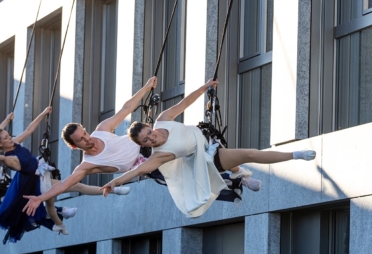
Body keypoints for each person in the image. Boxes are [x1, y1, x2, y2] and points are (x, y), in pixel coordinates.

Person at [22, 77, 260, 217]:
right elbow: (65, 184)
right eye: (82, 140)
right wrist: (40, 198)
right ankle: (237, 180)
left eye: (85, 133)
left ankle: (240, 173)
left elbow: (125, 109)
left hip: (147, 145)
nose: (88, 140)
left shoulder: (102, 129)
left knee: (196, 148)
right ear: (75, 147)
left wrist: (145, 89)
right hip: (148, 165)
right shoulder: (87, 165)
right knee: (189, 179)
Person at [99, 79, 316, 218]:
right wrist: (113, 183)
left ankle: (243, 175)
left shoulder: (163, 120)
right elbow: (135, 171)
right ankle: (295, 156)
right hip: (208, 158)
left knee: (245, 153)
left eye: (149, 133)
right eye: (146, 141)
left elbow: (184, 104)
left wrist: (203, 88)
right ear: (142, 146)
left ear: (149, 127)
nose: (151, 138)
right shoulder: (159, 156)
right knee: (250, 153)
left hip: (208, 139)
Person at [0, 106, 130, 241]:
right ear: (0, 145)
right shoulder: (9, 157)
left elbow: (29, 130)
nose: (10, 138)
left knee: (54, 199)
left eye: (8, 134)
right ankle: (111, 191)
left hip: (40, 174)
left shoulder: (15, 142)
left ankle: (59, 224)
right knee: (72, 188)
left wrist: (43, 114)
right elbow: (8, 160)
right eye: (6, 138)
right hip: (32, 181)